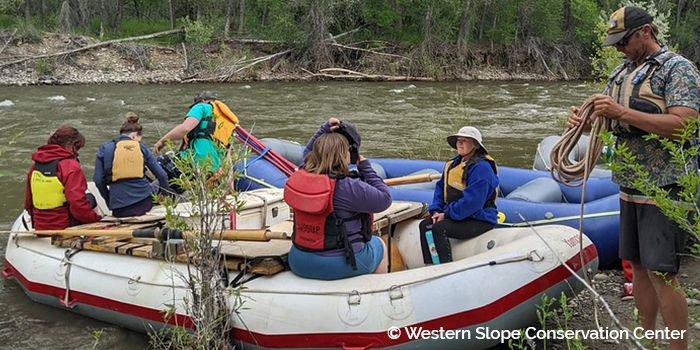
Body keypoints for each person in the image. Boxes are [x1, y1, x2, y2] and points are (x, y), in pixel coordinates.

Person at [567, 6, 700, 350]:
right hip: (630, 183)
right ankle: (648, 341)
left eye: (624, 41)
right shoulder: (621, 72)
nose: (620, 49)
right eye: (616, 44)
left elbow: (685, 125)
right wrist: (584, 122)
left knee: (662, 273)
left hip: (666, 186)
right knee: (638, 267)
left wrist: (622, 112)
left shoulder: (678, 70)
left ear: (646, 32)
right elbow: (612, 121)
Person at [285, 118, 391, 280]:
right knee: (380, 246)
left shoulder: (302, 173)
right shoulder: (348, 187)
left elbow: (307, 152)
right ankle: (377, 292)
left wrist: (323, 129)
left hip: (299, 260)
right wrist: (366, 167)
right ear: (346, 155)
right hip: (337, 265)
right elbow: (385, 199)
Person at [419, 126, 499, 264]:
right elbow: (440, 189)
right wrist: (436, 210)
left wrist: (447, 215)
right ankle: (430, 264)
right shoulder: (453, 164)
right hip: (457, 215)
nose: (460, 143)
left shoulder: (482, 168)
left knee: (439, 228)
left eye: (465, 140)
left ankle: (446, 266)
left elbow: (473, 203)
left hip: (479, 219)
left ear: (475, 145)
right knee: (425, 225)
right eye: (458, 140)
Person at [24, 126, 102, 230]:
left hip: (40, 225)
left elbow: (28, 202)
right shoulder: (70, 166)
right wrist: (95, 219)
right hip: (64, 225)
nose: (77, 153)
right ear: (72, 146)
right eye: (77, 148)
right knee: (90, 198)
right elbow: (77, 202)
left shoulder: (35, 166)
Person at [94, 113, 171, 218]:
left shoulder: (104, 149)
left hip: (119, 209)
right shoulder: (140, 147)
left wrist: (109, 200)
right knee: (161, 182)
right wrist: (164, 194)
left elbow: (98, 181)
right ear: (134, 135)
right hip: (143, 204)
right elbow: (162, 175)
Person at [152, 91, 239, 170]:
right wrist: (230, 187)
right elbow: (228, 161)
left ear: (203, 100)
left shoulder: (201, 106)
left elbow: (185, 128)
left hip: (196, 164)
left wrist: (161, 142)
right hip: (213, 171)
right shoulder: (229, 123)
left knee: (160, 161)